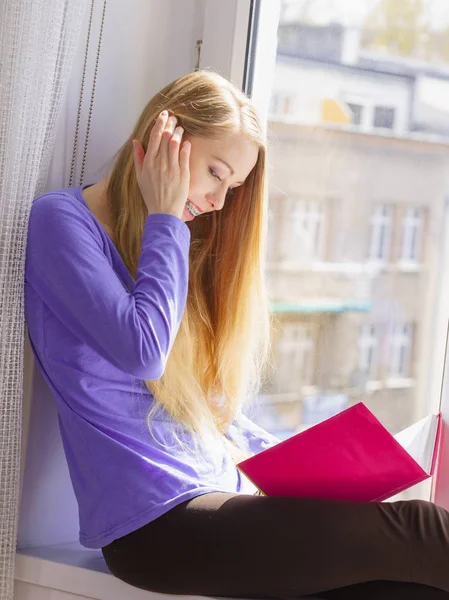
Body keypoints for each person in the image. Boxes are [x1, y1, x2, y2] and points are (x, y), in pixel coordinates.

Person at [24, 68, 449, 600]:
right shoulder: (63, 222)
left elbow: (209, 408)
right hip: (152, 529)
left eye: (234, 186)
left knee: (410, 587)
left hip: (219, 497)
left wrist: (321, 467)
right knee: (420, 530)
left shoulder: (171, 251)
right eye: (215, 173)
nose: (220, 201)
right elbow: (143, 352)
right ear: (165, 141)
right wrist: (166, 217)